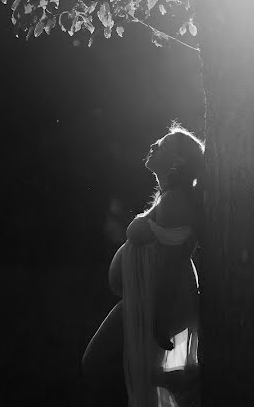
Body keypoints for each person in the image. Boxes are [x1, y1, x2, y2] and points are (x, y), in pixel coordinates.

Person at [82, 123, 204, 407]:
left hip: (156, 300)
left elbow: (173, 263)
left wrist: (158, 314)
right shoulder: (168, 198)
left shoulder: (175, 202)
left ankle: (185, 382)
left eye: (162, 143)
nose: (154, 144)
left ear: (178, 161)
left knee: (97, 363)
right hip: (145, 297)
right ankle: (180, 382)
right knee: (129, 371)